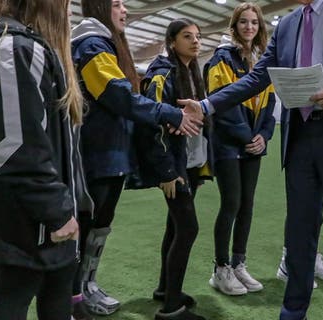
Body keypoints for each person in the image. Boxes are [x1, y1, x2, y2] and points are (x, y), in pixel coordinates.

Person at [180, 0, 323, 319]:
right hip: (301, 140)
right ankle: (293, 313)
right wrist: (206, 105)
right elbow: (257, 78)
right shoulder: (286, 25)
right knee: (299, 235)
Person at [0, 1, 89, 319]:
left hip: (15, 199)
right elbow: (16, 148)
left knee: (30, 286)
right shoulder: (15, 47)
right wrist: (55, 209)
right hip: (31, 207)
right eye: (66, 4)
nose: (69, 12)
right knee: (18, 290)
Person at [70, 0, 203, 317]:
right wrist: (169, 113)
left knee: (99, 225)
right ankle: (74, 296)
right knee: (88, 226)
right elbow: (119, 96)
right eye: (116, 4)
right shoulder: (91, 43)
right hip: (99, 151)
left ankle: (87, 286)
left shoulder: (102, 42)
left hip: (110, 152)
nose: (125, 10)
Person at [131, 18, 209, 320]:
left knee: (175, 226)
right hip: (173, 167)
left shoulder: (191, 71)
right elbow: (150, 125)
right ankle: (171, 308)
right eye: (187, 36)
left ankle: (166, 290)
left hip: (188, 163)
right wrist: (167, 172)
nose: (196, 41)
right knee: (188, 228)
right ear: (172, 41)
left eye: (198, 36)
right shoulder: (162, 73)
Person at [203, 2, 276, 296]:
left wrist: (264, 137)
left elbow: (270, 106)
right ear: (234, 27)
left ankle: (239, 263)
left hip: (252, 144)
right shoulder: (221, 58)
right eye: (243, 22)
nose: (249, 27)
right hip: (227, 144)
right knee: (231, 203)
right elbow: (221, 103)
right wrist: (248, 136)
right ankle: (220, 269)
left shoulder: (263, 60)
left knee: (247, 204)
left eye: (254, 23)